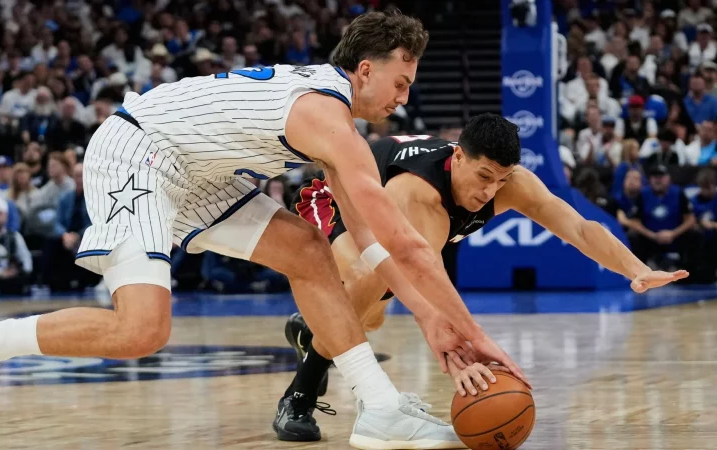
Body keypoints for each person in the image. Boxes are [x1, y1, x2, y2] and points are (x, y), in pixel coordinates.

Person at [0, 11, 525, 449]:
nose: (405, 95)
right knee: (142, 330)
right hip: (140, 151)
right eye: (401, 82)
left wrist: (433, 320)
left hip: (201, 170)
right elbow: (404, 241)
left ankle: (379, 408)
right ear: (365, 70)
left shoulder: (334, 117)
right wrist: (466, 332)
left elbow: (374, 244)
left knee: (309, 250)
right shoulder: (327, 116)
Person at [275, 116, 689, 442]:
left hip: (394, 225)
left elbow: (579, 228)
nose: (491, 191)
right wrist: (462, 349)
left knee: (369, 319)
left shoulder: (510, 182)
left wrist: (636, 269)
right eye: (484, 177)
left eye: (501, 180)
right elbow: (422, 282)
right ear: (458, 158)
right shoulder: (420, 195)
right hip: (337, 196)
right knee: (368, 282)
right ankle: (298, 397)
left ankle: (312, 326)